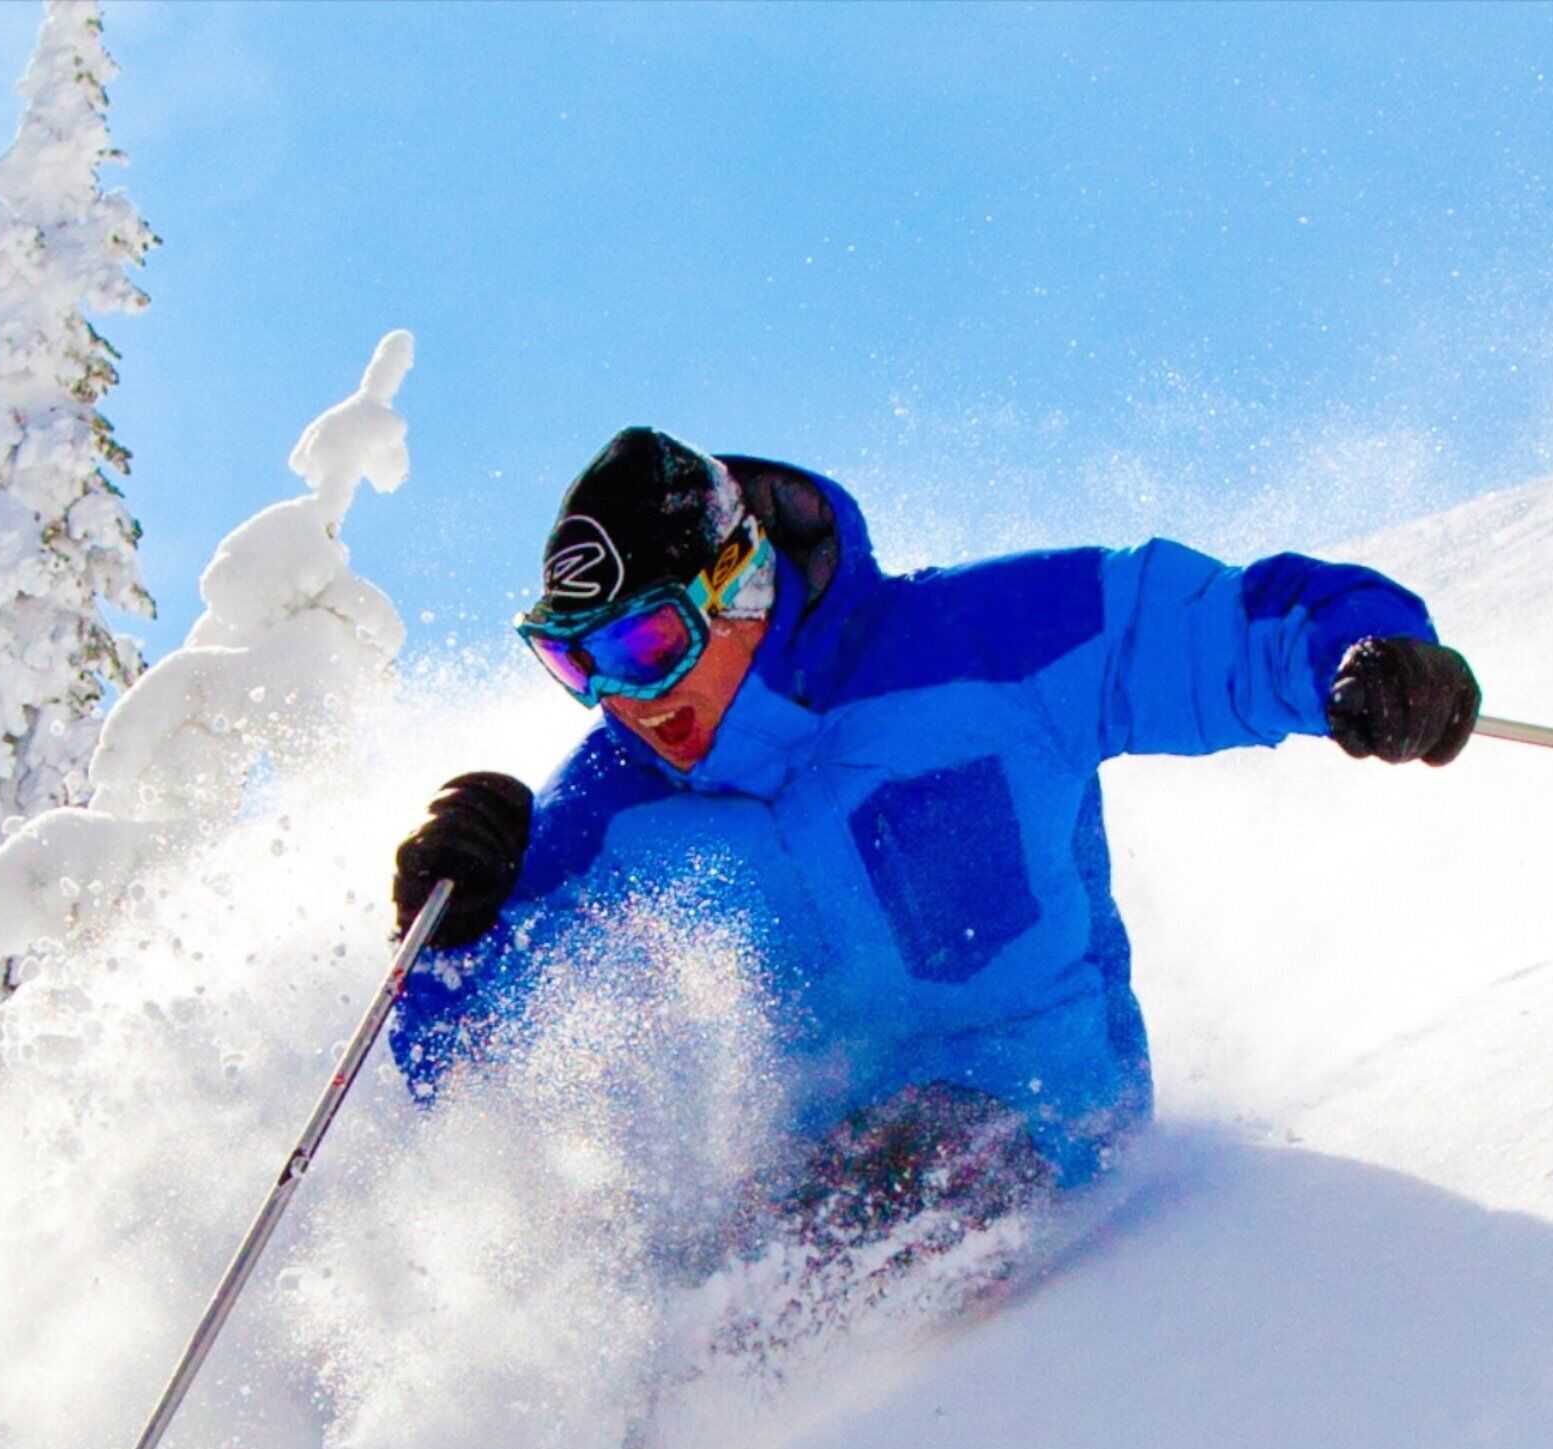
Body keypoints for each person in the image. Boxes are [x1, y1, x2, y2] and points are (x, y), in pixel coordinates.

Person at [387, 427, 1478, 1276]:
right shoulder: (610, 808)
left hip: (1042, 1130)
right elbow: (458, 1077)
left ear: (742, 582)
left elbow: (1231, 629)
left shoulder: (982, 648)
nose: (625, 697)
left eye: (645, 642)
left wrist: (1373, 657)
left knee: (889, 1179)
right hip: (789, 1206)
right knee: (649, 1250)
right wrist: (450, 930)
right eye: (577, 665)